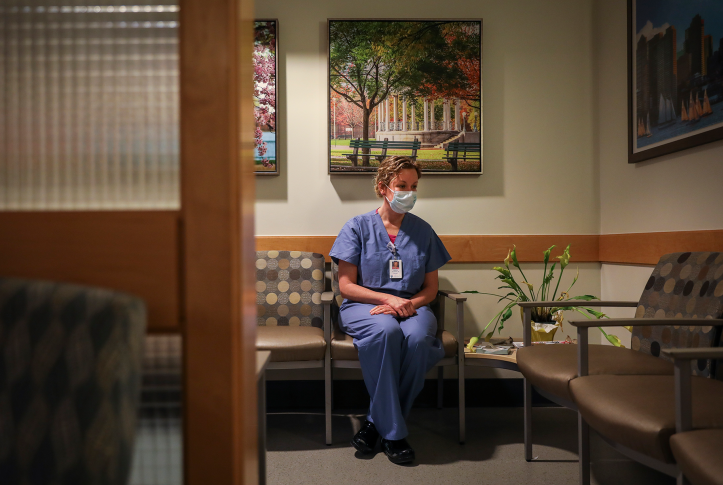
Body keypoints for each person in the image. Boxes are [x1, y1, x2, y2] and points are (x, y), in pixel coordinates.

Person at [329, 156, 452, 464]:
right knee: (385, 331)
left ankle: (374, 423)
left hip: (413, 305)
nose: (408, 192)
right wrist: (387, 300)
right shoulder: (357, 227)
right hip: (364, 305)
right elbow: (347, 287)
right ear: (383, 188)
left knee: (420, 341)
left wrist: (407, 303)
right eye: (401, 186)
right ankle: (394, 434)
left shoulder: (423, 231)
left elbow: (431, 290)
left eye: (413, 186)